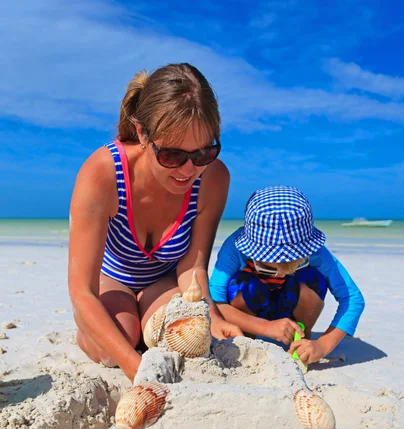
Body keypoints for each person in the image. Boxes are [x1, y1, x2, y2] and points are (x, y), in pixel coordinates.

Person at [68, 63, 241, 382]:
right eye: (173, 156)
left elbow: (194, 265)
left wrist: (211, 315)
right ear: (142, 134)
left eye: (204, 153)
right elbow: (82, 291)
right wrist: (136, 368)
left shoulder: (214, 178)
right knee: (118, 342)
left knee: (181, 339)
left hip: (162, 284)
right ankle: (94, 330)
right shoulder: (102, 174)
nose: (189, 171)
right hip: (113, 281)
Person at [209, 186, 365, 364]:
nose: (280, 275)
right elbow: (214, 301)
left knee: (314, 278)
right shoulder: (234, 250)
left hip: (293, 312)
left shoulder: (317, 254)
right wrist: (265, 327)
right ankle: (247, 337)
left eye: (296, 265)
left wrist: (323, 344)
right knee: (241, 283)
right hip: (250, 316)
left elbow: (352, 298)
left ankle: (301, 340)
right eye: (268, 268)